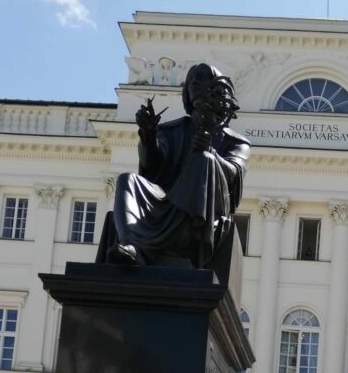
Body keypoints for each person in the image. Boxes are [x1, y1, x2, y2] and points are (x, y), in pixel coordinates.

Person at [99, 63, 250, 268]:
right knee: (127, 179)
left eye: (202, 80)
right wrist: (148, 136)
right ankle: (132, 245)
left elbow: (235, 175)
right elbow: (152, 168)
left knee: (204, 160)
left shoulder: (235, 142)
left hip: (206, 206)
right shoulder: (172, 130)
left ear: (217, 89)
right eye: (192, 81)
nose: (195, 84)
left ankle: (160, 242)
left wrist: (211, 152)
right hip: (166, 200)